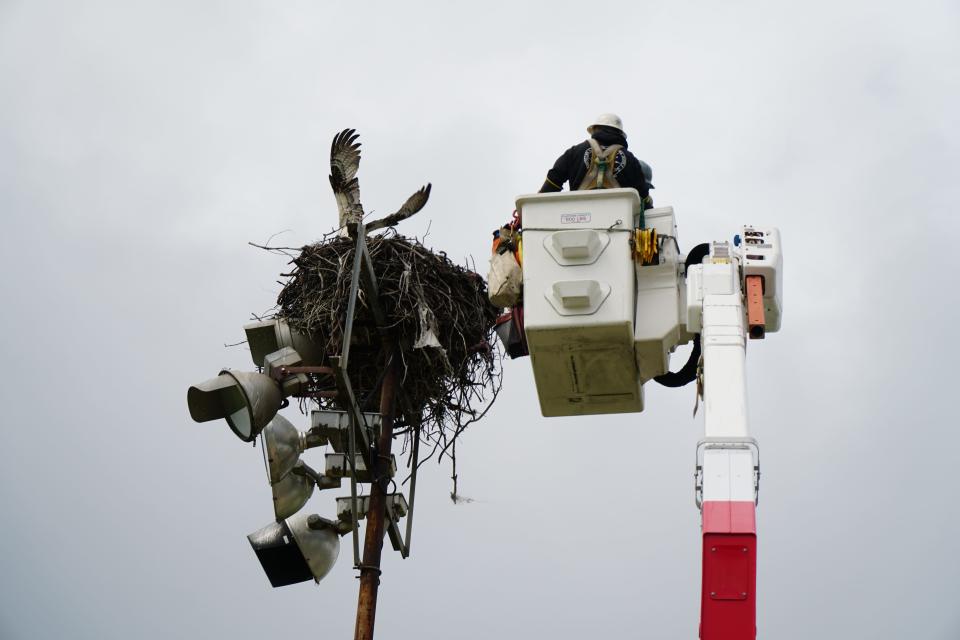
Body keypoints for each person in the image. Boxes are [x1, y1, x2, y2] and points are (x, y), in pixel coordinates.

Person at [539, 113, 654, 209]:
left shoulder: (574, 152)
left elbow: (553, 182)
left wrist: (535, 206)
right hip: (617, 224)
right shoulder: (630, 160)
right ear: (620, 134)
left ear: (595, 129)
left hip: (577, 218)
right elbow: (643, 197)